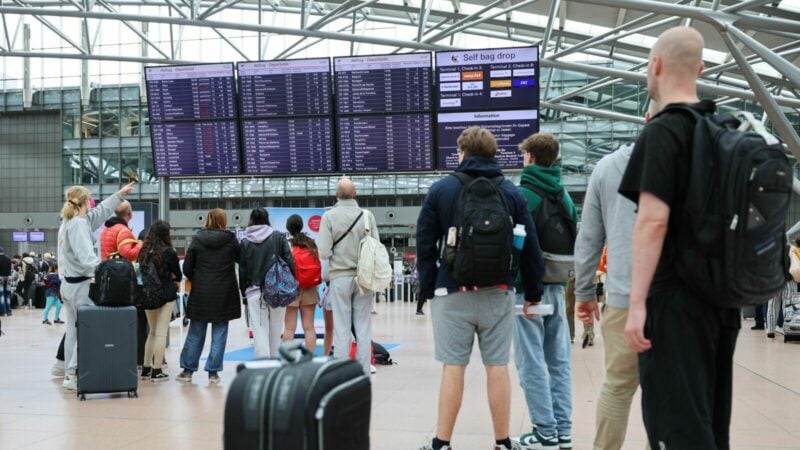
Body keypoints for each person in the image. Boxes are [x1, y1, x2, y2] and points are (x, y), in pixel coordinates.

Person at [618, 26, 738, 449]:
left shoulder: (663, 130)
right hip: (721, 300)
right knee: (707, 420)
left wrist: (636, 305)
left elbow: (652, 221)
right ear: (700, 68)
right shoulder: (722, 130)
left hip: (674, 302)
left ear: (655, 65)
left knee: (676, 427)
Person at [416, 127, 544, 450]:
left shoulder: (441, 190)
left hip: (452, 293)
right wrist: (533, 293)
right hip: (498, 292)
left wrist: (429, 288)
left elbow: (425, 245)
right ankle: (502, 443)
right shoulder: (511, 193)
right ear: (492, 154)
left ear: (462, 153)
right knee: (497, 367)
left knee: (453, 367)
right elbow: (530, 248)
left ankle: (441, 444)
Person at [573, 100, 659, 450]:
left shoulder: (608, 168)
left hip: (622, 298)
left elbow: (589, 237)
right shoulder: (693, 162)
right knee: (674, 393)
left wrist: (584, 291)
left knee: (617, 386)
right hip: (677, 301)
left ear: (646, 117)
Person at [513, 132, 577, 450]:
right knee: (559, 360)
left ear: (531, 158)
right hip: (558, 286)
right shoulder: (563, 195)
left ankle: (544, 431)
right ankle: (563, 430)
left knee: (531, 361)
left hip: (528, 292)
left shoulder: (524, 195)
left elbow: (516, 247)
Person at [57, 182, 136, 390]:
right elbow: (86, 258)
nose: (93, 201)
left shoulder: (74, 220)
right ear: (84, 202)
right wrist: (104, 271)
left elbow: (101, 211)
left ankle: (69, 373)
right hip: (80, 286)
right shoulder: (77, 225)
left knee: (73, 330)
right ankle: (73, 374)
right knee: (84, 330)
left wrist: (119, 194)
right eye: (90, 198)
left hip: (69, 284)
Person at [317, 178, 379, 376]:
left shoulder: (329, 217)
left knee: (342, 327)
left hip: (340, 277)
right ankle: (363, 372)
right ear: (355, 195)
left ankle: (342, 373)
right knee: (363, 326)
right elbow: (376, 246)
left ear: (336, 195)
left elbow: (324, 252)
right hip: (363, 277)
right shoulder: (367, 216)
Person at [177, 208, 240, 384]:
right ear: (223, 220)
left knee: (196, 332)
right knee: (220, 332)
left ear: (208, 220)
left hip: (201, 293)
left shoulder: (198, 239)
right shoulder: (231, 240)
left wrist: (197, 278)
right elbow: (242, 260)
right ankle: (213, 373)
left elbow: (187, 268)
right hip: (224, 292)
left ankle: (188, 371)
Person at [239, 208, 295, 359]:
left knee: (259, 331)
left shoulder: (244, 242)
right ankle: (274, 363)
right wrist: (292, 284)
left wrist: (243, 291)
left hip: (254, 292)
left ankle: (263, 365)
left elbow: (242, 270)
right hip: (277, 289)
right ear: (267, 219)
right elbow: (289, 262)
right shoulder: (278, 237)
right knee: (276, 330)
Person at [99, 199, 147, 369]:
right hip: (122, 282)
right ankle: (132, 358)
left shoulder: (107, 229)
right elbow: (129, 254)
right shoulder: (123, 230)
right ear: (129, 214)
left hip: (107, 279)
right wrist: (140, 243)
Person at [137, 220, 182, 381]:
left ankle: (146, 368)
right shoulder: (168, 252)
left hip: (147, 295)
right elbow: (178, 275)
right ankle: (157, 371)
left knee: (152, 332)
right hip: (165, 295)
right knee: (161, 333)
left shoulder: (143, 252)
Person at [284, 214, 320, 353]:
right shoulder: (311, 243)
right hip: (310, 287)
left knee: (289, 328)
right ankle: (309, 358)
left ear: (288, 228)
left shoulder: (287, 244)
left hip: (292, 288)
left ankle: (288, 359)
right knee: (309, 327)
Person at [0, 247, 11, 317]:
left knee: (1, 295)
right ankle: (9, 311)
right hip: (8, 277)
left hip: (0, 277)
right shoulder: (8, 259)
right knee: (7, 295)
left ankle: (2, 311)